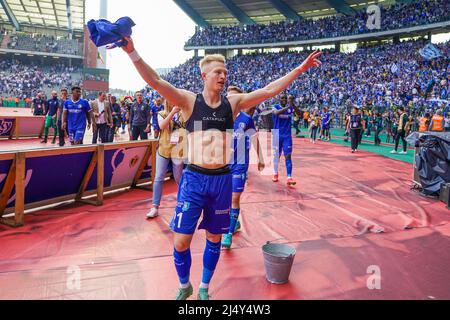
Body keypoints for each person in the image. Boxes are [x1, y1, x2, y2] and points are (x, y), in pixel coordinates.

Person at [121, 36, 321, 300]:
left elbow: (269, 90)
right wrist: (132, 52)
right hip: (194, 178)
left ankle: (204, 287)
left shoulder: (233, 104)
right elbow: (156, 81)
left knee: (215, 238)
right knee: (181, 240)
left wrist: (298, 70)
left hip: (221, 180)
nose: (223, 76)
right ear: (204, 75)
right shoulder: (188, 101)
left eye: (225, 72)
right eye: (218, 72)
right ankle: (184, 285)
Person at [221, 86, 265, 249]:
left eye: (234, 98)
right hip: (222, 164)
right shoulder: (220, 118)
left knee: (234, 198)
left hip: (239, 165)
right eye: (228, 97)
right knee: (224, 199)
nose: (230, 100)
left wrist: (260, 158)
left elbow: (254, 138)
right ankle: (234, 222)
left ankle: (228, 234)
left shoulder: (246, 119)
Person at [146, 98, 186, 219]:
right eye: (170, 100)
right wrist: (172, 113)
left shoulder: (183, 114)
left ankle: (183, 204)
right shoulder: (161, 113)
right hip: (163, 150)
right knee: (158, 177)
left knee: (179, 178)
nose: (173, 102)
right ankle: (155, 207)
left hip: (178, 151)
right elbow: (162, 126)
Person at [272, 94, 296, 186]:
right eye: (282, 98)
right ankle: (275, 173)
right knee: (276, 156)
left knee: (288, 156)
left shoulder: (290, 108)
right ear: (279, 99)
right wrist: (287, 107)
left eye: (285, 98)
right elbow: (276, 113)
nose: (284, 99)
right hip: (277, 135)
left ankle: (289, 177)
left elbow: (300, 114)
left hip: (287, 136)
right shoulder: (275, 106)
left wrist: (292, 104)